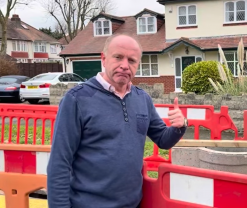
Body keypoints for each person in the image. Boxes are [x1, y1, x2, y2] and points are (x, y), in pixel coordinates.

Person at [47, 34, 188, 208]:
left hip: (133, 203)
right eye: (118, 57)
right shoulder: (77, 99)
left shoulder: (142, 98)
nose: (124, 65)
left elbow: (163, 140)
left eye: (132, 60)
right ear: (104, 59)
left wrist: (179, 126)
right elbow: (59, 163)